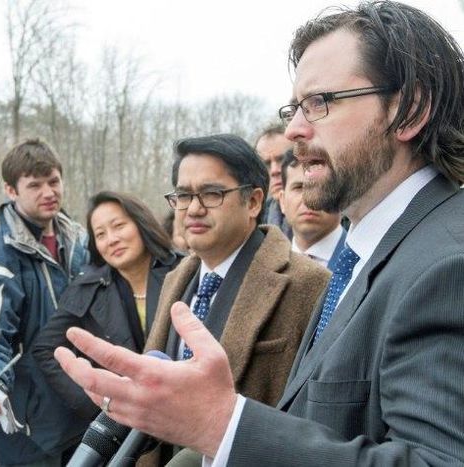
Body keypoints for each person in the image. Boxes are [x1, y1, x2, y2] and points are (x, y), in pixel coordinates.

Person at [55, 1, 464, 465]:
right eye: (294, 107)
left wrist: (222, 425)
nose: (293, 130)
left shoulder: (448, 264)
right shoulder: (370, 254)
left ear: (409, 110)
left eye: (320, 103)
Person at [142, 134, 329, 464]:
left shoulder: (307, 283)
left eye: (212, 194)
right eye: (184, 195)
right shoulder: (174, 281)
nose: (194, 209)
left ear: (254, 201)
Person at [0, 138, 89, 466]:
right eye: (34, 185)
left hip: (85, 408)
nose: (48, 192)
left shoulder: (80, 241)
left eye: (54, 181)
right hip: (32, 428)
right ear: (11, 190)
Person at [33, 191, 181, 420]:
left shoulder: (184, 271)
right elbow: (46, 350)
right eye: (100, 234)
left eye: (119, 226)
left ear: (141, 223)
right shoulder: (87, 288)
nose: (111, 239)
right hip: (127, 425)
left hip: (183, 410)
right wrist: (99, 403)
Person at [278, 150, 345, 271]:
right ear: (282, 201)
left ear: (341, 197)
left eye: (319, 187)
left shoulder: (362, 258)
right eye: (299, 187)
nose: (308, 199)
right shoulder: (268, 266)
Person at [255, 123, 293, 237]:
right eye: (266, 164)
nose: (274, 170)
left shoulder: (338, 215)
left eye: (282, 159)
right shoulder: (254, 223)